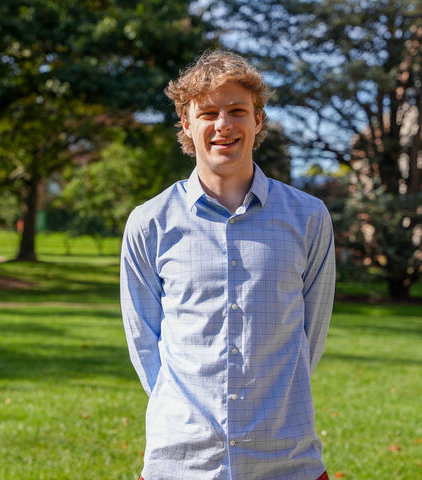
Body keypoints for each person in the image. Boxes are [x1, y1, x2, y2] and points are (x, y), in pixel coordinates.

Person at [120, 50, 335, 480]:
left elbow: (310, 336)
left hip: (285, 459)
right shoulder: (150, 223)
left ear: (258, 120)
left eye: (237, 110)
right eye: (207, 113)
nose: (223, 125)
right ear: (186, 123)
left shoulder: (309, 218)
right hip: (181, 463)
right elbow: (145, 343)